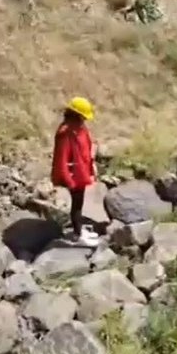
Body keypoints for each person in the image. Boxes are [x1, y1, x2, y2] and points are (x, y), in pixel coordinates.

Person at [52, 97, 99, 246]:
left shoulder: (79, 128)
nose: (84, 119)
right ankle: (78, 235)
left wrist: (91, 167)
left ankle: (79, 230)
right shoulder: (66, 132)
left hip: (80, 172)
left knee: (79, 202)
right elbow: (62, 158)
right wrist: (68, 180)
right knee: (77, 204)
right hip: (73, 175)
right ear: (76, 115)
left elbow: (85, 150)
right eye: (83, 116)